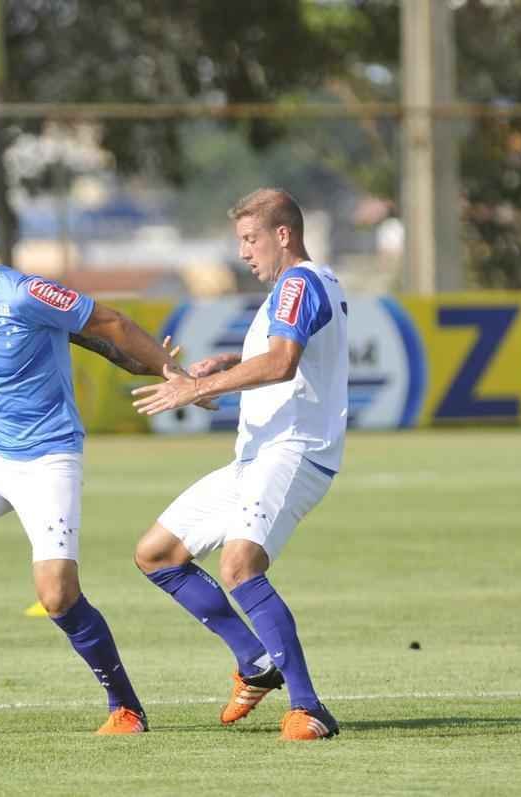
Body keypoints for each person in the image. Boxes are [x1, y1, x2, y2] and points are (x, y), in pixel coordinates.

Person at [0, 213, 191, 735]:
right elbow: (73, 338)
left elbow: (107, 323)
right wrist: (135, 363)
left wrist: (167, 369)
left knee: (57, 596)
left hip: (48, 460)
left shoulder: (25, 293)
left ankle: (126, 708)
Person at [130, 188, 348, 741]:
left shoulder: (298, 283)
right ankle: (255, 662)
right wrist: (226, 364)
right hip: (256, 458)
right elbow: (279, 356)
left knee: (240, 566)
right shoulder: (296, 288)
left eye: (251, 239)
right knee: (157, 554)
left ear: (283, 234)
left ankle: (309, 708)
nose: (244, 252)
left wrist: (198, 388)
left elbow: (282, 363)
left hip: (294, 451)